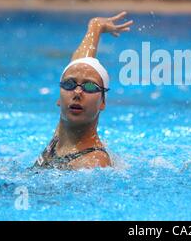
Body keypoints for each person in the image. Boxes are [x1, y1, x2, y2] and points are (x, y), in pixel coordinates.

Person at [34, 12, 133, 170]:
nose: (77, 92)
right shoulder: (60, 138)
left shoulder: (93, 162)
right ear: (59, 98)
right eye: (69, 84)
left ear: (103, 102)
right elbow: (79, 65)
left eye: (89, 87)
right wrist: (95, 27)